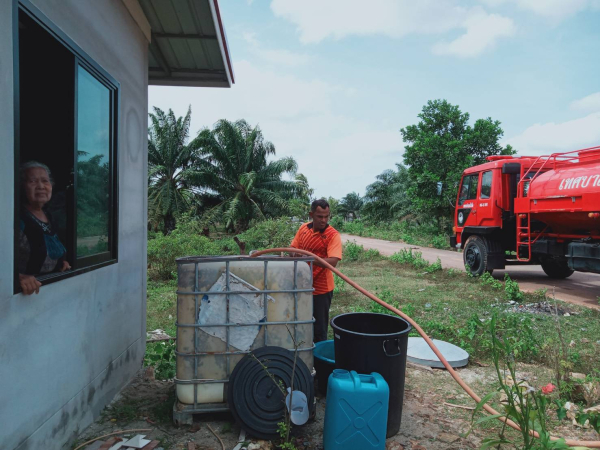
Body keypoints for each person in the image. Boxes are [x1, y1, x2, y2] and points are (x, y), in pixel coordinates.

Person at [290, 199, 342, 342]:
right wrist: (294, 254)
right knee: (301, 323)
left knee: (319, 329)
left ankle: (318, 361)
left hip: (321, 289)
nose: (323, 220)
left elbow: (333, 261)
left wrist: (309, 258)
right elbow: (292, 248)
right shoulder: (303, 229)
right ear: (311, 214)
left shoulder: (332, 235)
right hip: (302, 286)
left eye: (326, 216)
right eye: (320, 216)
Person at [18, 161, 70, 295]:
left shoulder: (50, 216)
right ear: (22, 186)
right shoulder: (15, 218)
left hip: (49, 292)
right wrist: (16, 276)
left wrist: (61, 262)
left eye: (45, 181)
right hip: (24, 296)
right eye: (33, 181)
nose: (41, 186)